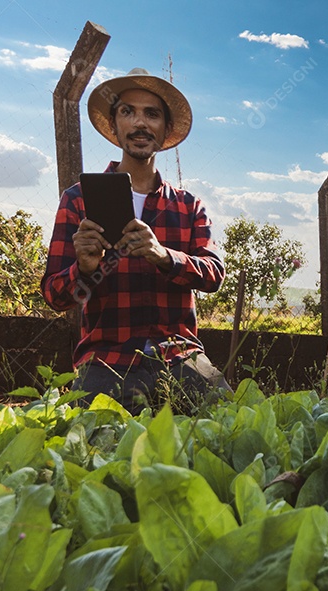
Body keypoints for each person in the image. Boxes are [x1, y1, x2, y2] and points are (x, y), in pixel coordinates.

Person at [41, 68, 229, 411]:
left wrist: (164, 255)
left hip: (181, 358)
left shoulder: (188, 206)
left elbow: (214, 274)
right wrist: (83, 269)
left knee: (232, 418)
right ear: (114, 127)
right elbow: (54, 295)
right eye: (127, 111)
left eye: (151, 114)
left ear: (166, 130)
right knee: (92, 445)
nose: (140, 123)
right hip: (106, 361)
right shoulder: (78, 199)